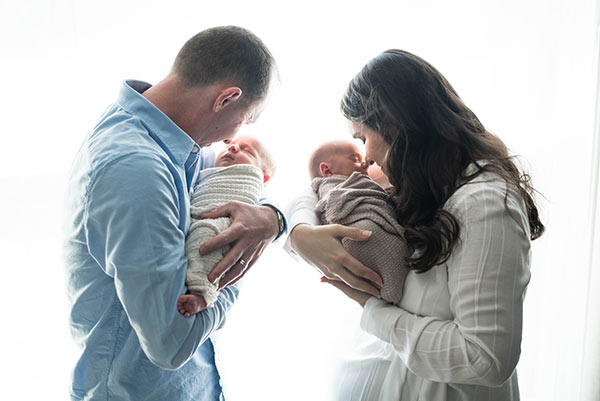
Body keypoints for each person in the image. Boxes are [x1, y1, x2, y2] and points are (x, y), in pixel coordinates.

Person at [285, 49, 545, 400]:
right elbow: (317, 186)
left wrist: (370, 308)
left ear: (395, 125)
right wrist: (301, 234)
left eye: (363, 138)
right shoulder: (421, 184)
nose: (368, 156)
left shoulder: (484, 204)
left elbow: (486, 359)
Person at [62, 26, 286, 401]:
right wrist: (238, 259)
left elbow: (248, 186)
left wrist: (272, 218)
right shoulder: (138, 169)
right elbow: (171, 344)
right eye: (246, 119)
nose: (236, 136)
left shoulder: (171, 136)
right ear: (227, 98)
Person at [178, 135, 276, 317]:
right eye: (230, 144)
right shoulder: (205, 161)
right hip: (200, 216)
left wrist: (274, 218)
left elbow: (270, 207)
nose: (232, 148)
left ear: (263, 177)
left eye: (247, 150)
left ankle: (202, 294)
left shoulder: (248, 181)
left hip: (224, 224)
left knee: (206, 240)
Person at [308, 140, 410, 304]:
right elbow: (332, 209)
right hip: (356, 237)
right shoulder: (331, 189)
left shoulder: (367, 181)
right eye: (355, 159)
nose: (365, 165)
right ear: (327, 170)